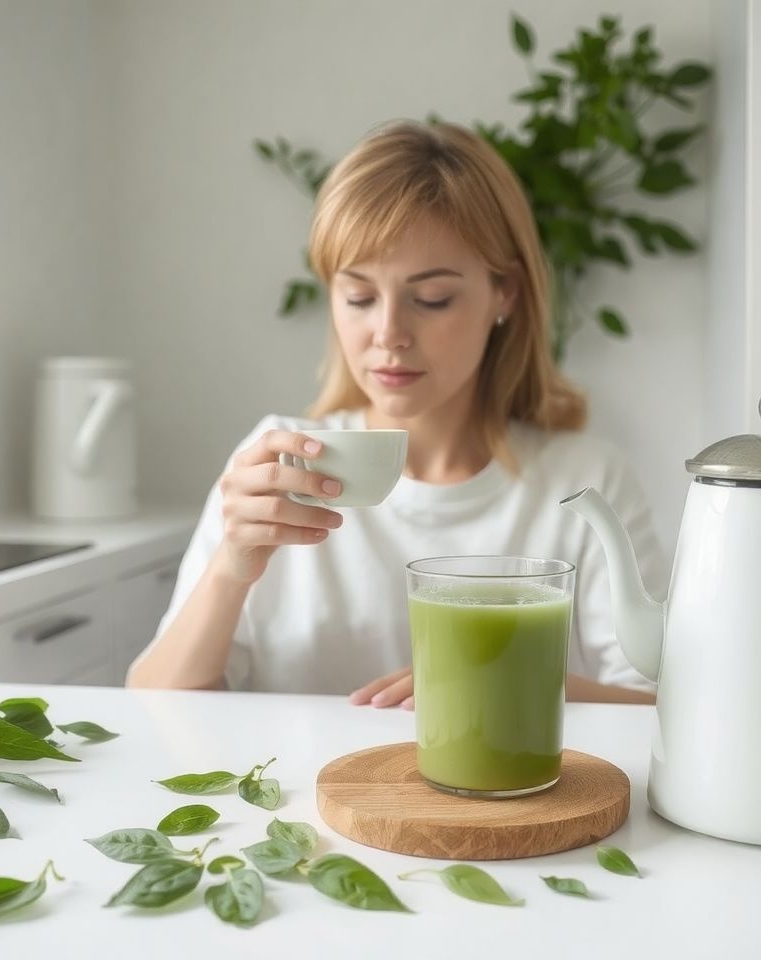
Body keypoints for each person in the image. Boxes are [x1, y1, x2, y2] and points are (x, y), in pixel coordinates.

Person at [127, 120, 668, 707]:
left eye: (431, 299)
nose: (389, 334)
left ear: (505, 293)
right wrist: (231, 569)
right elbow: (153, 706)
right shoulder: (276, 466)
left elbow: (665, 708)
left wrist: (518, 677)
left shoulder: (584, 482)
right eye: (358, 296)